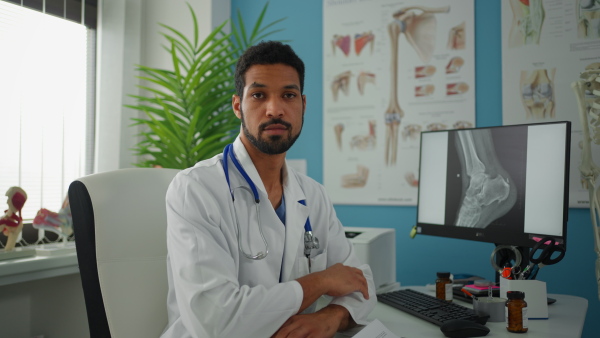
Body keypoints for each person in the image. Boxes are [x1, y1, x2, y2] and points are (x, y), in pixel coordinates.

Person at [162, 41, 376, 338]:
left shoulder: (312, 195)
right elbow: (214, 320)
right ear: (238, 106)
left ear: (303, 104)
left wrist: (331, 317)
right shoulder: (196, 189)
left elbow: (361, 283)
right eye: (259, 95)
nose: (275, 109)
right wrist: (322, 281)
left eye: (288, 95)